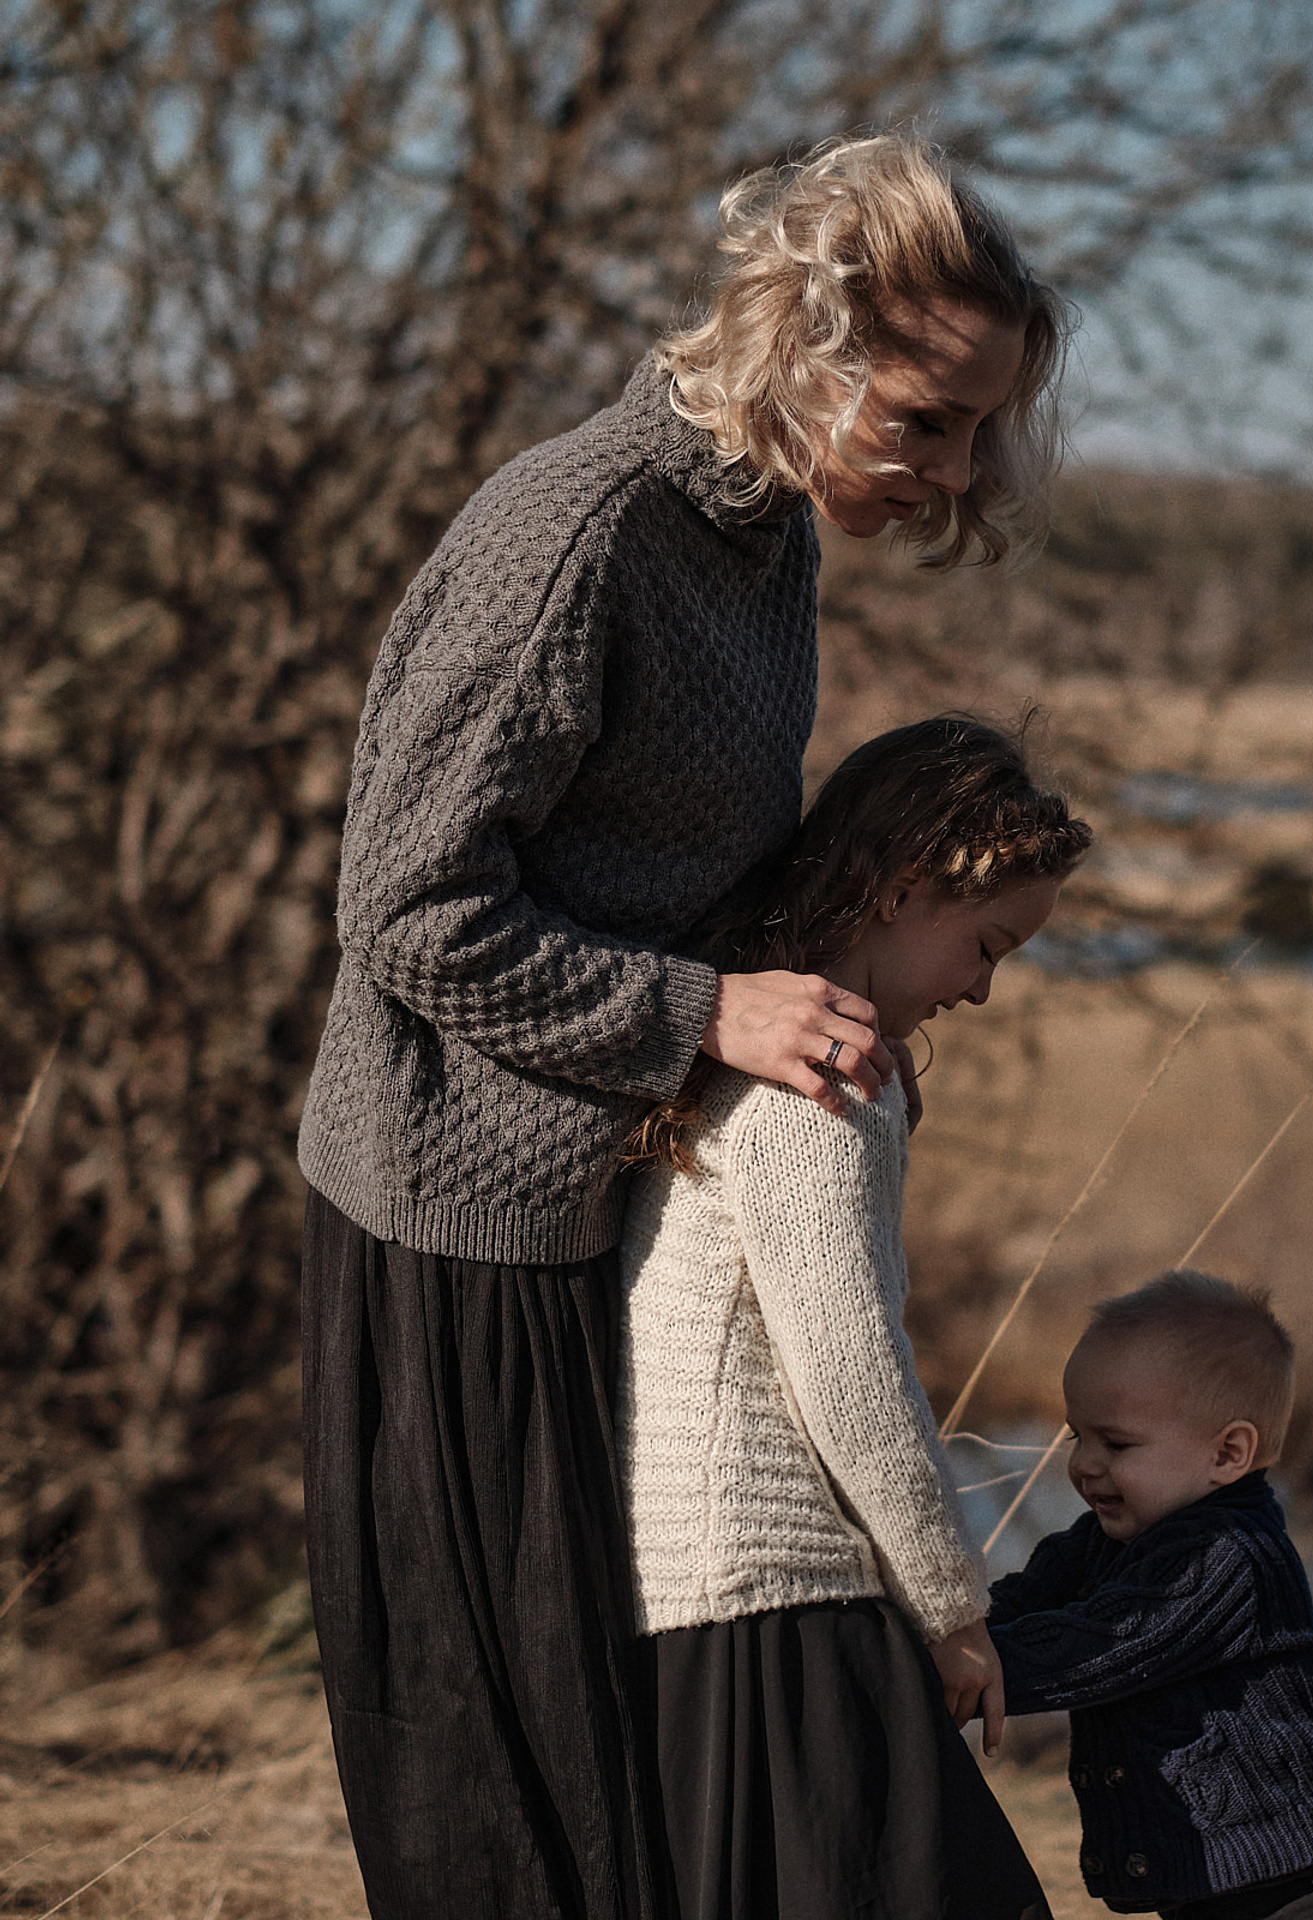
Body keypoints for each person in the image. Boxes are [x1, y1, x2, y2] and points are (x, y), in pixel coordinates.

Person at [296, 132, 1069, 1920]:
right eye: (928, 418)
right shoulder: (581, 533)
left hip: (581, 1203)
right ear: (804, 342)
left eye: (980, 430)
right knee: (502, 1793)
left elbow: (688, 874)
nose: (956, 472)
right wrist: (706, 1010)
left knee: (612, 1780)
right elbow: (406, 909)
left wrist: (830, 1033)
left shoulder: (763, 550)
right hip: (444, 1222)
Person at [618, 716, 1092, 1920]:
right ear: (898, 891)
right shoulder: (817, 1083)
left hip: (702, 1596)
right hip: (765, 1592)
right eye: (986, 944)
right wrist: (951, 1609)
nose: (983, 989)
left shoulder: (753, 1040)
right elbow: (849, 1366)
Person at [986, 1272, 1313, 1920]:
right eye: (1074, 1436)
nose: (1083, 1464)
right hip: (1218, 1891)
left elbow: (1102, 1642)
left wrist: (982, 1667)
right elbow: (1011, 1609)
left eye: (1115, 1443)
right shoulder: (1100, 1541)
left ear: (1228, 1453)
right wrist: (934, 1643)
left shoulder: (1227, 1555)